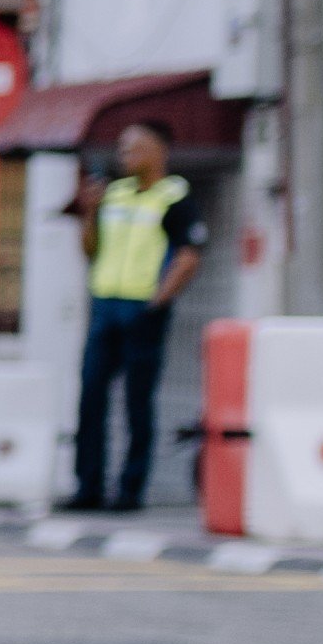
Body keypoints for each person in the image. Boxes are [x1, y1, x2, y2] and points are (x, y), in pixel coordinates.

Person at [66, 120, 204, 510]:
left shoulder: (174, 197)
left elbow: (189, 255)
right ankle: (87, 486)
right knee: (91, 397)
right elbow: (90, 249)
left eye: (134, 147)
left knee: (136, 402)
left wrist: (158, 301)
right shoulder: (114, 195)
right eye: (122, 148)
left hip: (141, 310)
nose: (125, 154)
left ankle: (130, 489)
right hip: (104, 304)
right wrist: (90, 213)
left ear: (158, 150)